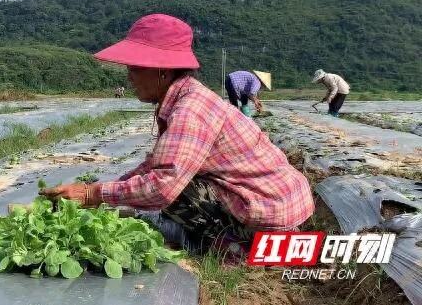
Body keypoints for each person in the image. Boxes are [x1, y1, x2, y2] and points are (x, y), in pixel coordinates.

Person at [40, 14, 314, 253]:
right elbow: (156, 163)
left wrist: (92, 194)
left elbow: (161, 187)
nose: (129, 77)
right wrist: (101, 190)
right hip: (272, 205)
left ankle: (237, 249)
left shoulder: (191, 109)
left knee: (175, 192)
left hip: (272, 220)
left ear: (162, 70)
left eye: (134, 68)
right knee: (162, 182)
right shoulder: (184, 97)